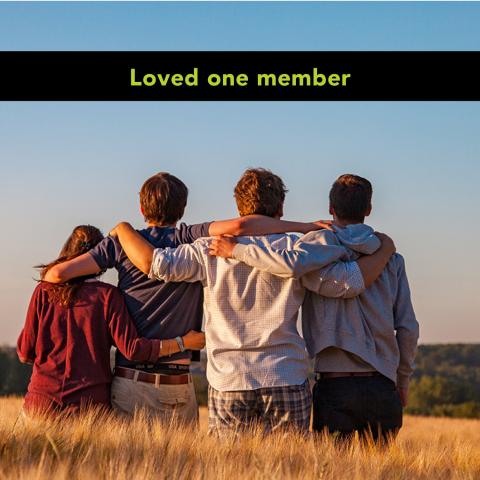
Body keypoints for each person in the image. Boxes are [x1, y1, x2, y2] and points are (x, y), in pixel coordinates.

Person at [108, 168, 395, 435]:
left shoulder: (208, 249)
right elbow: (346, 283)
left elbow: (156, 264)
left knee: (229, 468)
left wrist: (122, 229)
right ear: (280, 209)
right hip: (286, 375)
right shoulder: (297, 248)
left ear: (238, 208)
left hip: (229, 379)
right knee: (289, 470)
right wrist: (383, 251)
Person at [42, 171, 333, 424]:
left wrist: (119, 232)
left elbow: (56, 276)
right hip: (181, 383)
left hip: (133, 380)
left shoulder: (121, 244)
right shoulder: (190, 237)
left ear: (142, 207)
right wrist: (305, 226)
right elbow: (242, 227)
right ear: (182, 208)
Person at [210, 174, 419, 442]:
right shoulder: (391, 259)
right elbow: (408, 328)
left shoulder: (312, 250)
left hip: (334, 385)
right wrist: (402, 380)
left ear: (331, 209)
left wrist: (237, 250)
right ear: (368, 209)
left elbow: (287, 265)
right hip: (382, 384)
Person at [17, 225, 205, 417]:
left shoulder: (43, 292)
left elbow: (25, 353)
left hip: (40, 404)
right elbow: (133, 349)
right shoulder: (107, 296)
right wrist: (183, 343)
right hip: (89, 408)